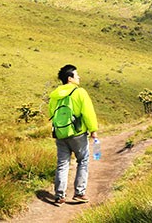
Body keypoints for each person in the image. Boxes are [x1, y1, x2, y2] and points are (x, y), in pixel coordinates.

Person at [48, 64, 99, 206]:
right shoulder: (80, 92)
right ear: (70, 78)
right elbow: (88, 112)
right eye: (77, 75)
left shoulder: (54, 95)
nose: (79, 77)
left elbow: (51, 113)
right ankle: (79, 193)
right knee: (82, 160)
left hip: (60, 133)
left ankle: (59, 196)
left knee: (62, 164)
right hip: (77, 133)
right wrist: (93, 129)